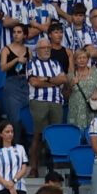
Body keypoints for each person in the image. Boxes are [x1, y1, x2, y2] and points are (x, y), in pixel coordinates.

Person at [28, 39, 67, 176]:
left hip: (56, 102)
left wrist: (46, 79)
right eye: (43, 48)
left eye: (48, 48)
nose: (46, 50)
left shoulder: (56, 63)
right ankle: (34, 167)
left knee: (55, 136)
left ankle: (54, 169)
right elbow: (34, 82)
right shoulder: (32, 63)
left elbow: (63, 79)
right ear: (37, 50)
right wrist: (53, 82)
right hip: (39, 101)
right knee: (38, 135)